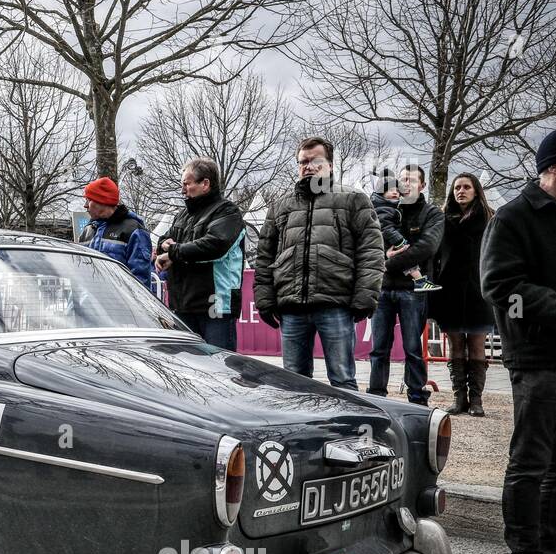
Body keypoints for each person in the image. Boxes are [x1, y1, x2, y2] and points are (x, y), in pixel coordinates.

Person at [480, 126, 556, 554]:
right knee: (531, 459)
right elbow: (500, 288)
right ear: (553, 167)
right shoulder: (513, 217)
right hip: (535, 355)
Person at [254, 137, 384, 391]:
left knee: (343, 380)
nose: (308, 167)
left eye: (316, 161)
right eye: (303, 162)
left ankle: (347, 429)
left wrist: (365, 297)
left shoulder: (354, 200)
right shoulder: (280, 206)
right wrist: (265, 300)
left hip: (336, 305)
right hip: (291, 309)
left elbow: (371, 251)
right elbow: (264, 256)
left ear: (330, 165)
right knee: (293, 383)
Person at [367, 164, 445, 404]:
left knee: (413, 348)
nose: (405, 184)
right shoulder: (383, 209)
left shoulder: (432, 214)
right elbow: (369, 244)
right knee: (379, 348)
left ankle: (417, 397)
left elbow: (426, 248)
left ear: (422, 185)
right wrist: (381, 260)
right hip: (382, 289)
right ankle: (376, 395)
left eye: (411, 180)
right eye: (401, 180)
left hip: (413, 290)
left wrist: (386, 263)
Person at [154, 158, 245, 350]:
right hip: (183, 305)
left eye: (187, 183)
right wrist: (164, 245)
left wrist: (172, 252)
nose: (182, 189)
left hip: (215, 306)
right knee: (189, 370)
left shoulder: (227, 212)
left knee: (220, 369)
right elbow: (165, 238)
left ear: (205, 184)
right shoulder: (183, 215)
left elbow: (215, 245)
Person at [432, 173, 496, 417]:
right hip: (449, 289)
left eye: (466, 187)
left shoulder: (490, 217)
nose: (461, 191)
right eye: (457, 187)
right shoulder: (442, 217)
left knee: (477, 344)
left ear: (475, 190)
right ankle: (459, 398)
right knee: (456, 343)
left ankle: (477, 400)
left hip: (479, 289)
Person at [76, 176, 152, 290]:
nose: (85, 205)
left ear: (101, 201)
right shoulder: (88, 230)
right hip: (91, 303)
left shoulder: (134, 230)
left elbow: (140, 280)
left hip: (120, 305)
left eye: (88, 200)